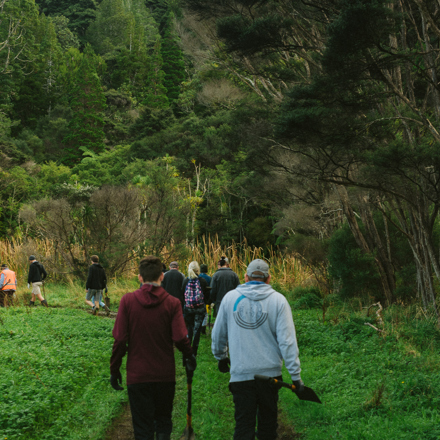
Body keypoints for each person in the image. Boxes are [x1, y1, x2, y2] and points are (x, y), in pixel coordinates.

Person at [211, 259, 304, 440]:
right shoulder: (279, 301)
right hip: (270, 378)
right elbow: (287, 341)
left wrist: (221, 356)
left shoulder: (230, 299)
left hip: (241, 374)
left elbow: (218, 334)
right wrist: (296, 376)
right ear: (269, 279)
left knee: (243, 426)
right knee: (268, 427)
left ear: (245, 277)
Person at [110, 255, 196, 440]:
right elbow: (180, 337)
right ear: (162, 276)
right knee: (163, 421)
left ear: (140, 277)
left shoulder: (127, 301)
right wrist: (189, 355)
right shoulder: (172, 303)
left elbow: (119, 339)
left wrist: (114, 369)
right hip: (164, 375)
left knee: (142, 427)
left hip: (138, 376)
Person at [180, 261, 209, 356]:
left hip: (188, 308)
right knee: (197, 329)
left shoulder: (185, 281)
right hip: (199, 308)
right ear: (198, 270)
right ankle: (194, 350)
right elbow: (206, 295)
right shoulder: (202, 281)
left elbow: (182, 295)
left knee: (189, 328)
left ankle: (188, 349)